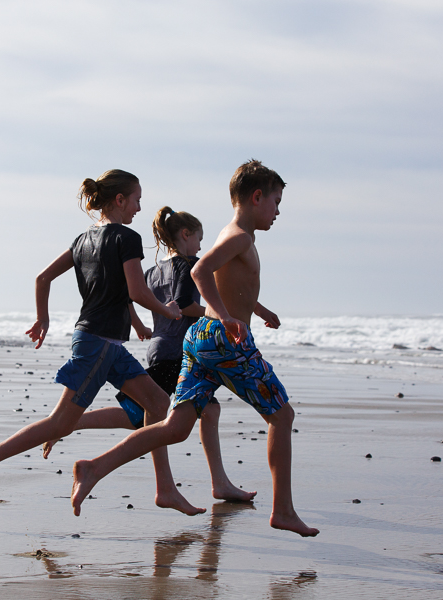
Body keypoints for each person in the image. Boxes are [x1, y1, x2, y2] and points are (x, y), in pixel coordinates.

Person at [70, 160, 319, 537]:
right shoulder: (239, 237)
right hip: (224, 340)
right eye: (276, 201)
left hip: (200, 338)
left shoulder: (232, 234)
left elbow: (234, 286)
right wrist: (224, 316)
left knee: (176, 426)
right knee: (281, 416)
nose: (278, 211)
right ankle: (282, 510)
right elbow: (200, 273)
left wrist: (259, 309)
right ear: (256, 197)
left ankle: (95, 467)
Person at [0, 169, 205, 515]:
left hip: (103, 342)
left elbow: (44, 278)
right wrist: (168, 310)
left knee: (159, 405)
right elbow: (136, 291)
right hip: (98, 344)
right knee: (60, 423)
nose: (138, 208)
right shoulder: (126, 238)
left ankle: (165, 489)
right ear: (119, 200)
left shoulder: (81, 240)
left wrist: (43, 318)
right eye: (136, 200)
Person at [42, 206, 256, 503]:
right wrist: (220, 317)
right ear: (185, 234)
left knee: (201, 410)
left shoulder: (154, 271)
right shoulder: (187, 264)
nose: (200, 246)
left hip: (159, 346)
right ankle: (67, 425)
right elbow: (184, 303)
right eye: (198, 239)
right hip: (178, 351)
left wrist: (139, 323)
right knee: (142, 415)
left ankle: (219, 483)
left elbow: (127, 294)